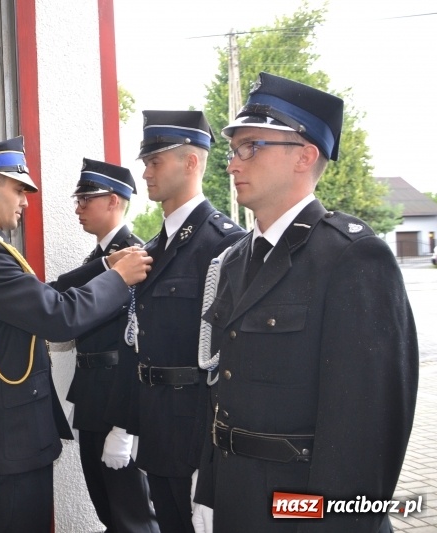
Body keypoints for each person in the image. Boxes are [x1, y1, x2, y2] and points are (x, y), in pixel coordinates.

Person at [192, 72, 418, 533]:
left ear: (305, 155)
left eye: (250, 147)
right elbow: (224, 389)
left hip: (301, 509)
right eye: (234, 150)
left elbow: (367, 428)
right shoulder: (236, 259)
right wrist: (211, 492)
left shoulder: (351, 257)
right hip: (238, 501)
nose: (232, 165)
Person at [0, 136, 152, 533]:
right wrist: (119, 279)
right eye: (19, 189)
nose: (24, 201)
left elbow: (45, 293)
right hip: (9, 438)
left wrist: (104, 265)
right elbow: (58, 316)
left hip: (7, 433)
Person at [106, 110, 244, 533]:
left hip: (195, 434)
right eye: (145, 162)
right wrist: (127, 422)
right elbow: (140, 344)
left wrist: (214, 462)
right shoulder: (152, 249)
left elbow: (229, 364)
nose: (145, 172)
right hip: (157, 428)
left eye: (155, 161)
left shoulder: (225, 244)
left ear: (191, 163)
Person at [50, 158, 158, 533]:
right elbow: (59, 296)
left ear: (113, 201)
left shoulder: (136, 257)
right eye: (77, 199)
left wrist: (126, 426)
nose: (78, 207)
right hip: (93, 397)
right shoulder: (98, 261)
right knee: (106, 509)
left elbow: (143, 340)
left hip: (118, 401)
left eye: (87, 198)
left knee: (132, 515)